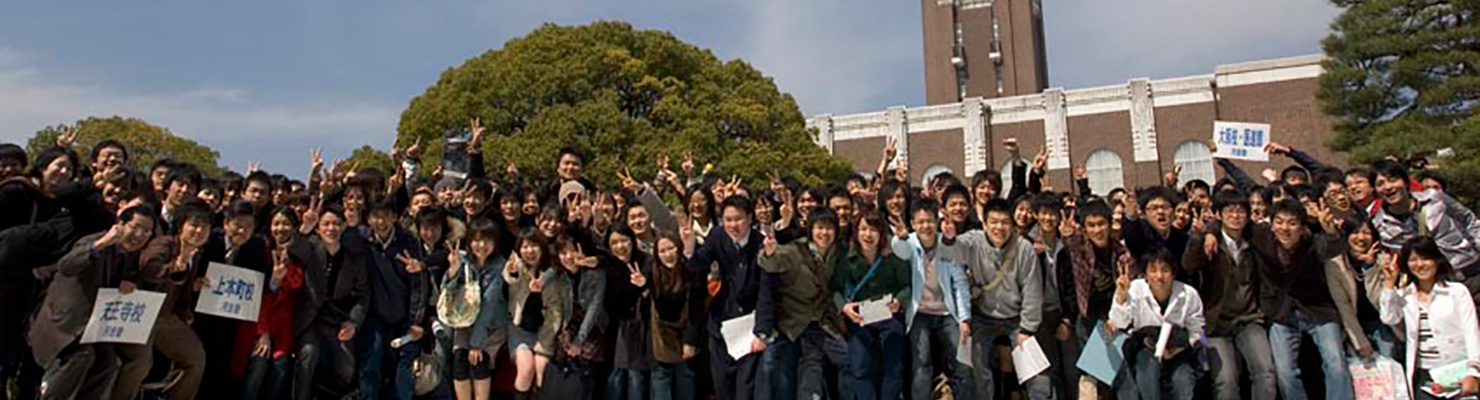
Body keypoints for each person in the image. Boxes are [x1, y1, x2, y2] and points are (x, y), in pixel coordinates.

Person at [29, 204, 157, 400]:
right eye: (136, 227)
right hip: (65, 323)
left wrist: (129, 286)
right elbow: (66, 266)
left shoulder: (131, 257)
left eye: (147, 231)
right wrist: (100, 244)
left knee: (109, 364)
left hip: (92, 328)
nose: (140, 235)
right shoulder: (95, 241)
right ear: (120, 225)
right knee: (82, 357)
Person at [1255, 199, 1369, 400]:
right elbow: (1229, 222)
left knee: (1335, 362)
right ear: (1271, 224)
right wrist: (1210, 231)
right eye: (1279, 222)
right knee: (1284, 371)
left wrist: (1331, 231)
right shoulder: (1261, 236)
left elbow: (1334, 247)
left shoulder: (1314, 242)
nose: (1285, 228)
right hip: (1281, 313)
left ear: (1302, 227)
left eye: (1292, 223)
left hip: (1318, 310)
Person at [940, 198, 1050, 400]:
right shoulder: (974, 241)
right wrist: (948, 238)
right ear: (984, 223)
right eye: (994, 222)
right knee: (977, 366)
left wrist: (1027, 329)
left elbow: (1032, 291)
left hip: (1017, 318)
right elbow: (950, 251)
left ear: (1012, 224)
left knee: (1037, 374)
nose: (999, 228)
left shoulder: (1024, 248)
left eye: (1004, 222)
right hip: (983, 316)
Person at [1182, 189, 1277, 400]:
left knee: (1266, 374)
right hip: (1217, 323)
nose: (1236, 216)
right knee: (1226, 381)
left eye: (1240, 211)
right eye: (1230, 211)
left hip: (1251, 318)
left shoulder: (1255, 240)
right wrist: (1200, 235)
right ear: (1219, 214)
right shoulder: (1211, 243)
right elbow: (1189, 266)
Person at [757, 208, 848, 400]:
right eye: (820, 228)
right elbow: (771, 262)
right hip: (797, 321)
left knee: (848, 360)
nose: (824, 233)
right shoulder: (795, 251)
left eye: (830, 228)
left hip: (824, 322)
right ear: (810, 229)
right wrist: (769, 252)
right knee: (806, 369)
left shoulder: (839, 253)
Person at [1378, 237, 1480, 399]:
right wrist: (1389, 284)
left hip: (1457, 371)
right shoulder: (1405, 295)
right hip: (1423, 376)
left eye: (1425, 258)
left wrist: (1473, 371)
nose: (1419, 265)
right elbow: (1388, 318)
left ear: (1437, 260)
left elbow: (1472, 333)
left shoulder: (1456, 292)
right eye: (1413, 260)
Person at [890, 199, 972, 400]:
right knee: (921, 365)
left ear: (937, 222)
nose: (925, 226)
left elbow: (960, 283)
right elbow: (899, 249)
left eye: (929, 221)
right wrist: (900, 239)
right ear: (912, 223)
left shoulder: (947, 244)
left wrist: (964, 318)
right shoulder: (909, 242)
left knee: (963, 364)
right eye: (920, 222)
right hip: (920, 314)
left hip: (947, 313)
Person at [1369, 160, 1480, 308]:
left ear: (1405, 181)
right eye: (1380, 183)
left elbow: (1467, 219)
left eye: (1393, 180)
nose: (1388, 187)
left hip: (1470, 270)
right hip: (1439, 287)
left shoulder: (1435, 198)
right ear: (1375, 190)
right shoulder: (1381, 225)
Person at [831, 212, 910, 400]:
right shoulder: (847, 260)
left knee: (894, 365)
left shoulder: (893, 257)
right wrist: (844, 307)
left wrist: (899, 301)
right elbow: (835, 289)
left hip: (889, 315)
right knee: (860, 366)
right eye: (863, 229)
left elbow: (907, 285)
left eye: (873, 229)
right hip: (861, 317)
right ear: (856, 232)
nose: (868, 235)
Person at [1109, 248, 1205, 400]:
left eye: (1165, 270)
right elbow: (1118, 323)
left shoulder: (1189, 294)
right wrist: (1121, 297)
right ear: (1145, 275)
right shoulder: (1134, 289)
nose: (1159, 276)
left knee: (1183, 381)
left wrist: (1176, 350)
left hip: (1178, 350)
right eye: (1153, 270)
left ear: (1173, 273)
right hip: (1145, 347)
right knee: (1148, 372)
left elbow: (1197, 330)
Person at [295, 206, 368, 400]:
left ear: (343, 227)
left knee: (346, 368)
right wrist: (304, 228)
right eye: (326, 224)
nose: (331, 228)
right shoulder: (310, 247)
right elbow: (293, 249)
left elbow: (363, 294)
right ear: (318, 229)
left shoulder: (354, 257)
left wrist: (353, 322)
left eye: (336, 224)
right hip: (311, 320)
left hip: (338, 319)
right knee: (308, 355)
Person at [240, 207, 310, 400]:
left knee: (281, 364)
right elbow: (256, 293)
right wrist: (273, 281)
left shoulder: (301, 256)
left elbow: (297, 288)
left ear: (295, 228)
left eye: (286, 223)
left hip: (285, 323)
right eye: (276, 223)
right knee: (259, 361)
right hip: (258, 319)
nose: (281, 228)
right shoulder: (259, 251)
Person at [447, 219, 509, 400]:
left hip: (491, 326)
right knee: (459, 360)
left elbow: (489, 305)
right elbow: (448, 293)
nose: (481, 245)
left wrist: (476, 343)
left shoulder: (499, 265)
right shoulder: (463, 259)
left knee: (479, 362)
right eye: (476, 239)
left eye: (487, 240)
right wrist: (452, 271)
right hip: (465, 322)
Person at [647, 234, 705, 400]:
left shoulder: (691, 271)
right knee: (660, 387)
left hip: (685, 339)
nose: (668, 254)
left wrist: (690, 341)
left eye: (671, 248)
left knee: (685, 383)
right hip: (660, 343)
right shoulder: (652, 273)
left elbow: (697, 308)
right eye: (662, 251)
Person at [504, 229, 560, 400]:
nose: (530, 251)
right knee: (526, 369)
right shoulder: (517, 267)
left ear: (542, 248)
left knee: (543, 375)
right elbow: (511, 277)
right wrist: (512, 270)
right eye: (525, 247)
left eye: (534, 246)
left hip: (544, 332)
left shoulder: (552, 274)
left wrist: (544, 343)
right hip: (519, 330)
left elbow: (555, 311)